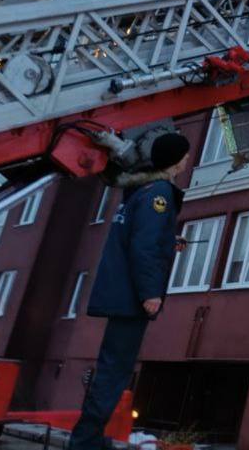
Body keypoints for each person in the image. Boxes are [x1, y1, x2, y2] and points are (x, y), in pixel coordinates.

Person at [68, 132, 191, 450]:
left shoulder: (140, 190)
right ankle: (85, 442)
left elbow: (139, 238)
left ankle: (88, 438)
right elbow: (144, 246)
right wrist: (151, 292)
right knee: (114, 372)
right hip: (131, 297)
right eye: (186, 156)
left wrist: (168, 242)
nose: (188, 160)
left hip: (121, 292)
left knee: (111, 368)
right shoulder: (160, 193)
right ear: (177, 160)